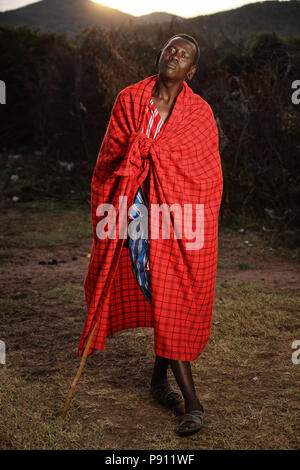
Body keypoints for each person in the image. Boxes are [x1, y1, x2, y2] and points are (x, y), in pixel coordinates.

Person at [78, 34, 223, 437]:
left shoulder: (198, 113)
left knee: (168, 293)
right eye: (171, 50)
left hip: (179, 213)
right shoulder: (130, 100)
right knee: (161, 291)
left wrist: (158, 155)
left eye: (185, 55)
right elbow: (109, 157)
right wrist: (139, 151)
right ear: (160, 55)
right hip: (137, 211)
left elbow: (206, 172)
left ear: (191, 70)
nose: (175, 56)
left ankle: (165, 385)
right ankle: (189, 402)